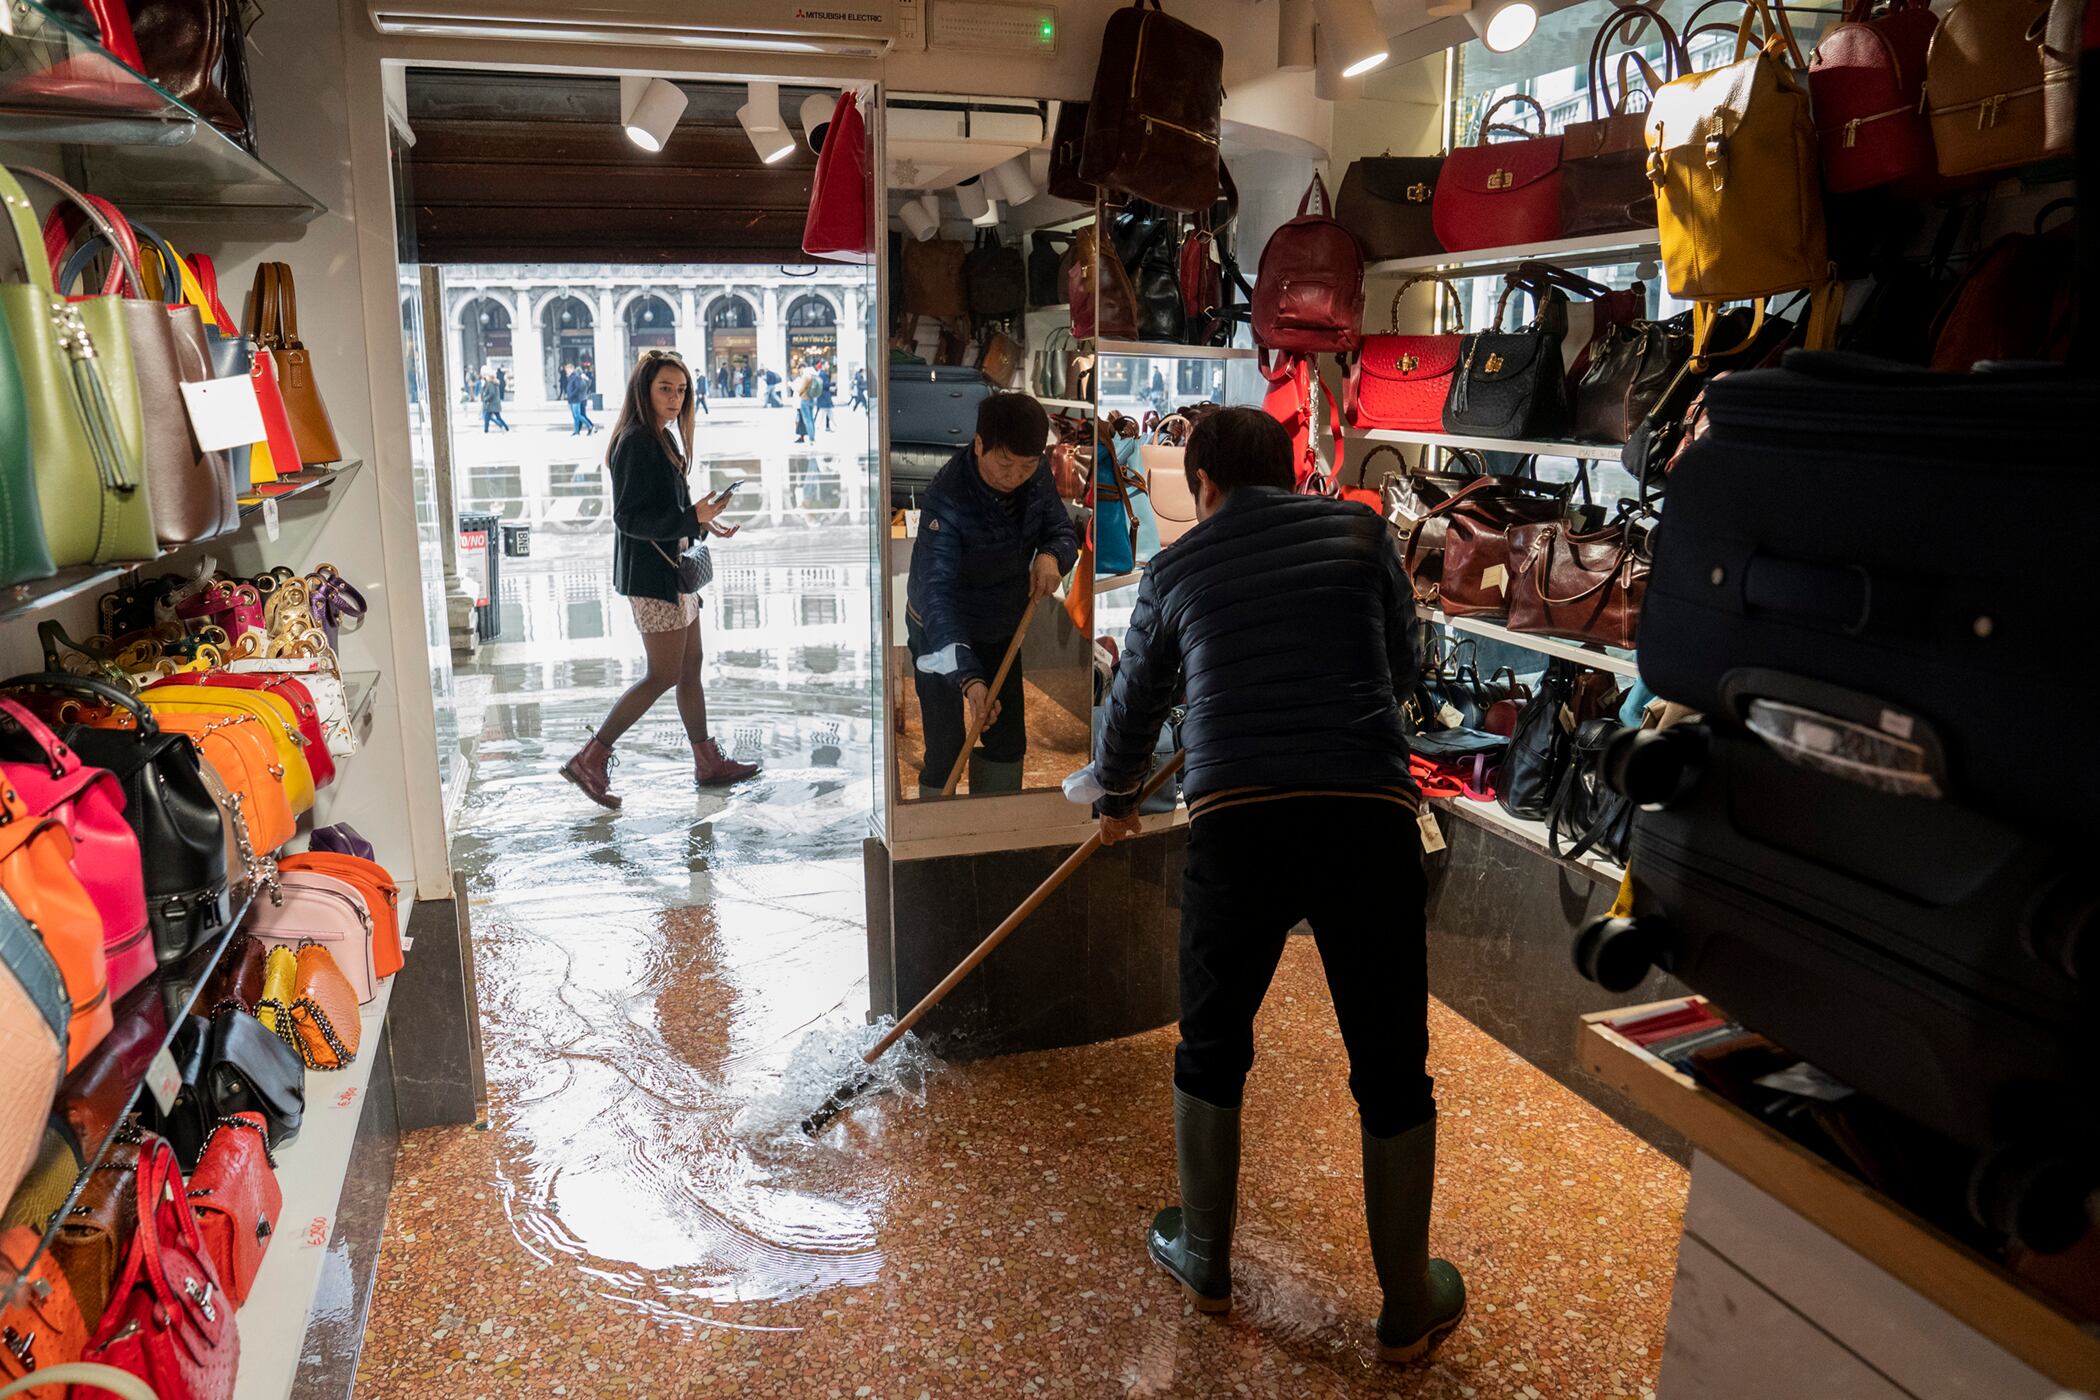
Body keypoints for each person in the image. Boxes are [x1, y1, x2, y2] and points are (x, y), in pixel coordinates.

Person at [1091, 407, 1464, 1364]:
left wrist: (1116, 800)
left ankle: (1206, 1259)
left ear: (1204, 482)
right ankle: (1406, 1303)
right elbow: (1402, 663)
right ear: (1293, 467)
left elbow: (1130, 709)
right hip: (1364, 816)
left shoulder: (1176, 568)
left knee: (1214, 1042)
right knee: (1390, 1058)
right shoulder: (1360, 530)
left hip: (1239, 821)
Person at [559, 350, 760, 805]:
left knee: (691, 665)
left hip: (675, 571)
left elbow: (666, 512)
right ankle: (589, 759)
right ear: (644, 390)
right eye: (665, 388)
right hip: (653, 577)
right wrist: (691, 518)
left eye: (682, 390)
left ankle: (707, 762)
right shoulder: (636, 441)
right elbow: (629, 518)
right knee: (663, 673)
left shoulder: (661, 437)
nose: (675, 398)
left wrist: (702, 522)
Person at [904, 394, 1076, 795]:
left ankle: (993, 840)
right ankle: (937, 841)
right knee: (946, 748)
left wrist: (1052, 556)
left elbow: (1061, 531)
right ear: (979, 444)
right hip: (937, 630)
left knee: (1007, 742)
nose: (1015, 475)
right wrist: (969, 678)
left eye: (1026, 465)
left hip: (1000, 621)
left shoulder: (1036, 474)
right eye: (1004, 463)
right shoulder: (947, 498)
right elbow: (937, 596)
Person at [562, 362, 599, 436]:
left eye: (567, 370)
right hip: (572, 399)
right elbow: (570, 388)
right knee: (575, 416)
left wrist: (572, 395)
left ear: (571, 369)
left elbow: (578, 387)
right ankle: (576, 431)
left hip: (576, 399)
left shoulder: (575, 377)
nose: (566, 371)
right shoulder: (570, 377)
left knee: (578, 415)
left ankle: (590, 427)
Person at [793, 363, 819, 443]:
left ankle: (811, 438)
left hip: (805, 399)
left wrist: (800, 392)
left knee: (807, 420)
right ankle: (812, 436)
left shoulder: (806, 376)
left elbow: (802, 389)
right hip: (811, 399)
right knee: (811, 419)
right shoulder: (814, 376)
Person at [815, 362, 836, 431]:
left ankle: (833, 426)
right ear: (823, 365)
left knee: (828, 412)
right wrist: (831, 384)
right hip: (824, 396)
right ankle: (817, 426)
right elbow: (824, 385)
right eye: (827, 364)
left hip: (824, 396)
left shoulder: (822, 374)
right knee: (823, 412)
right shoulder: (822, 374)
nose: (828, 366)